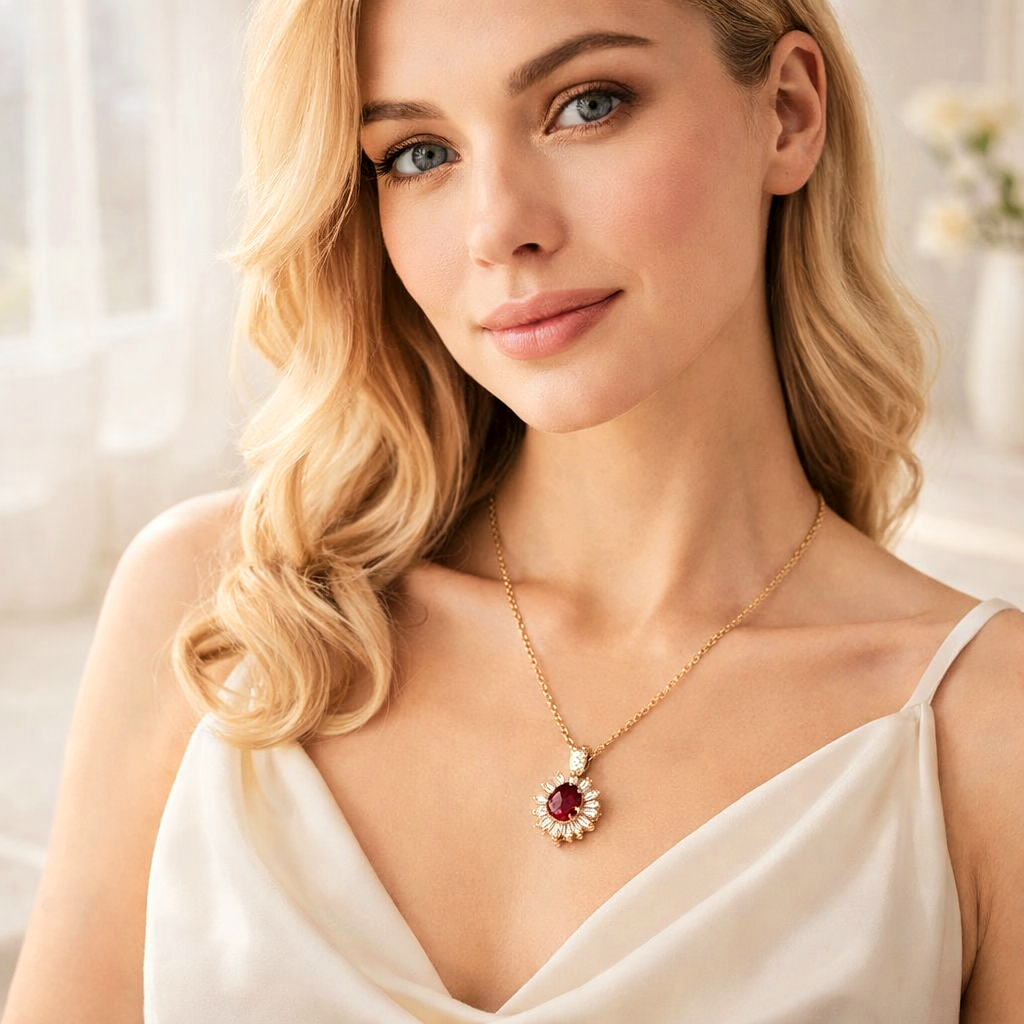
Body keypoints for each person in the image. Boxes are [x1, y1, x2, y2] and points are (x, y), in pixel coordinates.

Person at [4, 0, 1022, 1020]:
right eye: (418, 155)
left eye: (587, 105)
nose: (500, 229)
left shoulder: (983, 733)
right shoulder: (219, 616)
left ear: (788, 113)